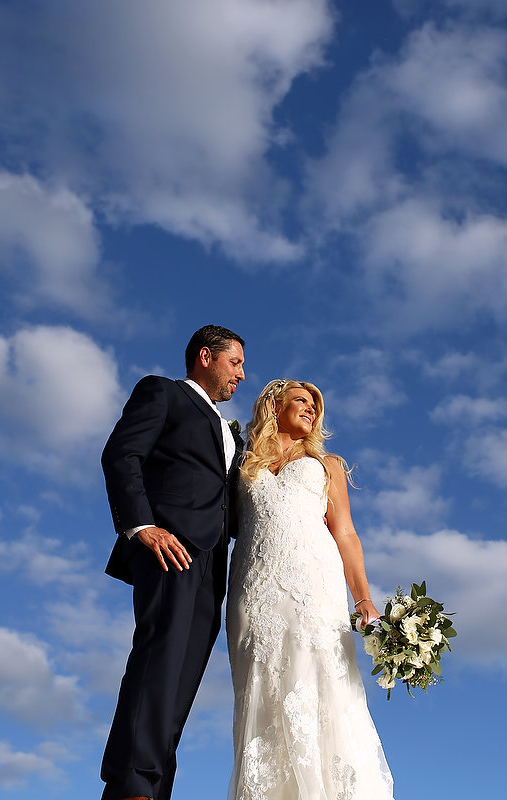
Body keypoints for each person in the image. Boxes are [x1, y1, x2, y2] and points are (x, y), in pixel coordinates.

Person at [227, 379, 394, 800]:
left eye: (316, 406)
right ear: (273, 405)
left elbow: (347, 535)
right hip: (253, 588)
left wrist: (364, 600)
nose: (312, 410)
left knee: (318, 681)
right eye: (302, 401)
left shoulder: (326, 464)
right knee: (260, 692)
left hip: (313, 586)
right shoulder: (243, 462)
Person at [99, 325, 246, 800]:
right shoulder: (161, 392)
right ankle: (131, 786)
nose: (241, 375)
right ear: (206, 356)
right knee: (158, 659)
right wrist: (141, 526)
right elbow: (122, 454)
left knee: (183, 677)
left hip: (213, 560)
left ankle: (154, 787)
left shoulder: (228, 429)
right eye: (235, 363)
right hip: (169, 546)